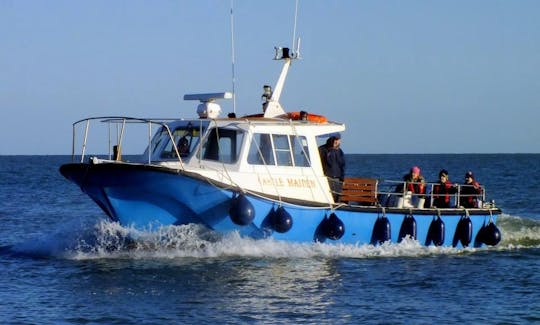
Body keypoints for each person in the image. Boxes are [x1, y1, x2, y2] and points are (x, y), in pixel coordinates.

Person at [319, 134, 346, 201]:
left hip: (337, 179)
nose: (335, 141)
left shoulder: (339, 151)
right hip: (327, 178)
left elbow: (342, 165)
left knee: (337, 197)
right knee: (328, 197)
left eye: (337, 140)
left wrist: (342, 179)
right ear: (331, 139)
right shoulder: (322, 149)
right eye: (334, 139)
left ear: (340, 140)